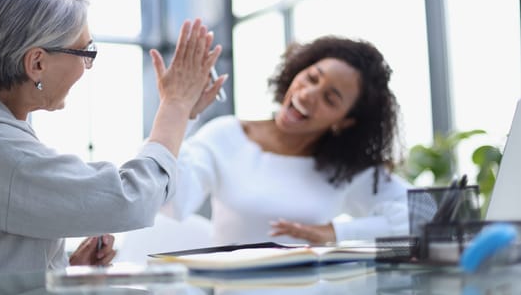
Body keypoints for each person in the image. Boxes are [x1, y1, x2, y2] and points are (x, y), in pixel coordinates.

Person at [0, 0, 224, 275]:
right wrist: (175, 107)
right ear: (37, 63)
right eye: (85, 51)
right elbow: (128, 200)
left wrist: (61, 267)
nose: (87, 65)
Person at [162, 35, 411, 246]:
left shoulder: (343, 167)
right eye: (312, 78)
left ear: (344, 121)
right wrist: (181, 113)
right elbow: (171, 202)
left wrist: (336, 232)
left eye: (330, 99)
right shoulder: (228, 136)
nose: (308, 94)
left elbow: (425, 215)